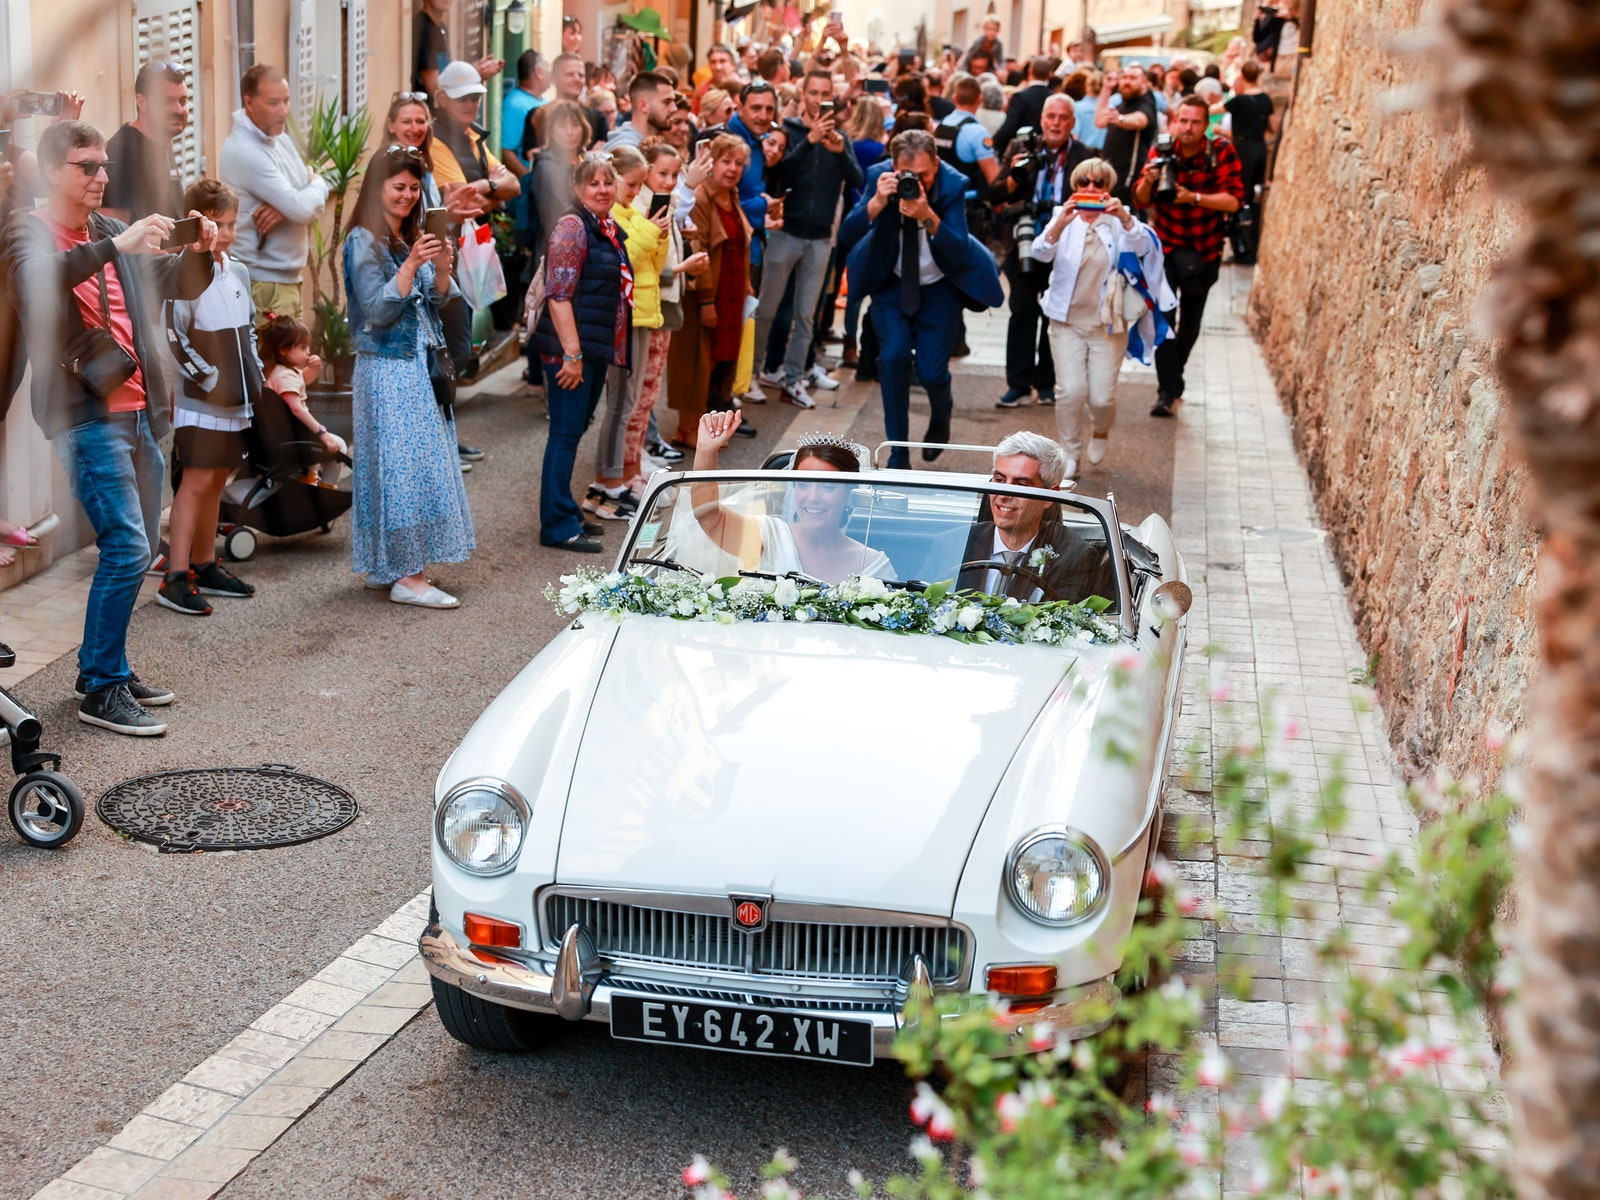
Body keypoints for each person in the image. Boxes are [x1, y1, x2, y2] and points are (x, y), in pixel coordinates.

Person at [5, 120, 216, 734]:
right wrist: (119, 246)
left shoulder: (106, 231)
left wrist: (196, 255)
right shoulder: (27, 230)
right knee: (124, 546)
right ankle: (100, 688)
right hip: (85, 412)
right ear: (51, 172)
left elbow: (162, 286)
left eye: (102, 166)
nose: (101, 175)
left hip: (136, 408)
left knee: (140, 547)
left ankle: (108, 667)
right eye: (85, 166)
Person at [343, 143, 473, 606]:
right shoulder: (363, 240)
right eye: (398, 187)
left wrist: (440, 269)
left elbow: (440, 301)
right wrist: (413, 265)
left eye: (414, 188)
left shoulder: (407, 235)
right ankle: (409, 577)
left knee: (405, 466)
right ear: (378, 187)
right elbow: (376, 311)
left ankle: (389, 566)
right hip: (388, 366)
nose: (407, 196)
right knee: (405, 468)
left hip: (417, 362)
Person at [836, 130, 1003, 470]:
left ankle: (941, 415)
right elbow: (846, 235)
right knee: (893, 357)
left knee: (931, 371)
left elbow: (959, 249)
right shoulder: (878, 178)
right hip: (892, 284)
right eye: (907, 175)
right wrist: (877, 202)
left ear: (937, 165)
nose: (916, 181)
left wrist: (927, 214)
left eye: (925, 174)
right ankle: (898, 452)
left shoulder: (952, 184)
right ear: (893, 167)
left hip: (939, 286)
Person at [160, 178, 264, 616]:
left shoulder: (237, 270)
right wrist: (209, 379)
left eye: (230, 224)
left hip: (235, 402)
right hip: (201, 403)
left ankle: (204, 563)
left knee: (217, 480)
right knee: (196, 482)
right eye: (214, 223)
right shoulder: (181, 272)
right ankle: (175, 577)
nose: (222, 232)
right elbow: (173, 336)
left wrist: (254, 377)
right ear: (194, 223)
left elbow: (251, 328)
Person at [1030, 158, 1168, 476]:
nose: (1090, 188)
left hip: (1108, 325)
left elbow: (1145, 246)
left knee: (1101, 398)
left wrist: (1123, 215)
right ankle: (1070, 455)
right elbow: (1039, 253)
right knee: (1070, 391)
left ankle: (1102, 431)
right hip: (1065, 323)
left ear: (1108, 189)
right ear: (1075, 187)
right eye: (1084, 182)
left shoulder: (1119, 221)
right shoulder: (1060, 218)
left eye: (1099, 183)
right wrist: (1060, 223)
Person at [530, 154, 635, 552]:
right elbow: (559, 297)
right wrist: (572, 356)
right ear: (577, 189)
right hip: (568, 352)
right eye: (593, 183)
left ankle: (566, 511)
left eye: (608, 182)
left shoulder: (604, 227)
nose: (603, 190)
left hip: (589, 349)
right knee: (564, 434)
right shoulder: (573, 227)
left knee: (571, 434)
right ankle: (556, 527)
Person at [751, 69, 863, 408]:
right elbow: (780, 173)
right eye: (813, 93)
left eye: (824, 93)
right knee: (766, 310)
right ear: (803, 94)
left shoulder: (840, 136)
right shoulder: (790, 131)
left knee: (806, 316)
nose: (818, 100)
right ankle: (753, 374)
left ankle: (794, 379)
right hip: (785, 232)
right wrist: (810, 140)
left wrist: (840, 150)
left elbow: (856, 178)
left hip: (818, 239)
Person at [1133, 94, 1244, 417]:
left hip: (1205, 250)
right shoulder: (1162, 151)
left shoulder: (1221, 151)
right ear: (1175, 121)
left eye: (1196, 122)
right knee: (1163, 320)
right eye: (1184, 121)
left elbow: (1234, 200)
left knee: (1190, 324)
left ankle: (1172, 378)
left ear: (1206, 124)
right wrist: (1150, 180)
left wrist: (1192, 197)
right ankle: (1168, 391)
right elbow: (1141, 199)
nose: (1189, 128)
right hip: (1166, 248)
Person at [690, 418, 891, 583]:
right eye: (803, 484)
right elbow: (709, 516)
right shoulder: (770, 536)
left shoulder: (872, 563)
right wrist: (706, 451)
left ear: (848, 493)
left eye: (828, 486)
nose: (813, 498)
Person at [993, 94, 1092, 409]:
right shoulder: (1020, 148)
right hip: (1022, 241)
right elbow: (995, 192)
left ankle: (1046, 383)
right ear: (1042, 120)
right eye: (1051, 117)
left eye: (1063, 118)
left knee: (1055, 313)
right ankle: (1018, 384)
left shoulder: (1085, 155)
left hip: (1065, 247)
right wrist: (1014, 174)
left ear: (1072, 123)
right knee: (1022, 309)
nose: (1056, 124)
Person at [934, 431, 1115, 602]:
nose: (1003, 494)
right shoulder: (951, 544)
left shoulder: (1075, 558)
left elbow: (1067, 626)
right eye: (999, 481)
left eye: (1020, 485)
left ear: (1050, 496)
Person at [588, 144, 667, 519]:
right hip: (628, 315)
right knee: (620, 404)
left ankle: (610, 481)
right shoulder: (615, 216)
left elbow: (654, 261)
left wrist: (657, 234)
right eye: (632, 184)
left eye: (639, 185)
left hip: (643, 313)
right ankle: (608, 482)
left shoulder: (632, 213)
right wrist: (653, 230)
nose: (636, 191)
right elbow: (633, 254)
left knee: (627, 403)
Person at [219, 64, 330, 323]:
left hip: (286, 280)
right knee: (277, 365)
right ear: (249, 102)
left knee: (293, 364)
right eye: (273, 103)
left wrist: (288, 206)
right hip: (264, 283)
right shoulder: (245, 151)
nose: (283, 111)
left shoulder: (279, 139)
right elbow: (303, 207)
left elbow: (302, 199)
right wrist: (306, 194)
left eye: (286, 101)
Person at [666, 134, 754, 451]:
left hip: (730, 291)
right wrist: (705, 300)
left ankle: (704, 425)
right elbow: (698, 247)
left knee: (718, 361)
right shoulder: (702, 197)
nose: (732, 169)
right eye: (725, 161)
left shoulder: (732, 194)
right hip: (706, 292)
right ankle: (687, 428)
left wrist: (745, 284)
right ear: (710, 164)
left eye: (738, 163)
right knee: (695, 362)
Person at [624, 143, 704, 476]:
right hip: (649, 304)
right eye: (662, 174)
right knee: (640, 391)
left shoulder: (663, 203)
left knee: (651, 388)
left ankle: (638, 452)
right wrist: (683, 267)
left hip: (665, 303)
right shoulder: (640, 206)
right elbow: (643, 264)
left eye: (675, 174)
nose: (670, 182)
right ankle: (631, 458)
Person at [101, 62, 189, 224]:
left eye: (182, 101)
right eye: (167, 101)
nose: (178, 110)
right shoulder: (124, 153)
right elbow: (112, 230)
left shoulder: (160, 138)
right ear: (142, 102)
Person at [839, 96, 888, 368]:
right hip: (872, 216)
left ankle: (849, 342)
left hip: (849, 216)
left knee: (852, 287)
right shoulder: (878, 150)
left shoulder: (849, 146)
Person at [430, 62, 519, 209]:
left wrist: (486, 185)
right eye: (461, 98)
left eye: (475, 97)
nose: (470, 104)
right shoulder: (435, 141)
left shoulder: (473, 135)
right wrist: (496, 195)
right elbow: (467, 204)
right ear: (442, 99)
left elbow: (514, 185)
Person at [259, 315, 344, 467]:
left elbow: (303, 380)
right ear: (284, 349)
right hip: (295, 436)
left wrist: (314, 369)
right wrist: (322, 433)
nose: (308, 352)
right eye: (303, 347)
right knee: (340, 446)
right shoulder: (285, 376)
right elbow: (297, 408)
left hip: (285, 434)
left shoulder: (281, 371)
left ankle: (312, 478)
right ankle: (325, 486)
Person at [521, 100, 588, 268]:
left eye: (575, 125)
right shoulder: (546, 167)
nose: (570, 132)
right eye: (562, 126)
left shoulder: (587, 162)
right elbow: (555, 218)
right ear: (551, 131)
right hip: (556, 258)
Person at [1223, 59, 1277, 264]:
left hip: (1243, 150)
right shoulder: (1265, 99)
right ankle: (1252, 247)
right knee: (1255, 199)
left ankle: (1242, 249)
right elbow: (1273, 127)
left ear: (1243, 76)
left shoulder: (1239, 101)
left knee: (1239, 197)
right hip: (1260, 149)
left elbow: (1213, 111)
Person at [1096, 66, 1159, 207]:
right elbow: (1099, 121)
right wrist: (1106, 89)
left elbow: (1140, 120)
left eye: (1133, 78)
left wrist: (1119, 119)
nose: (1127, 82)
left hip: (1129, 178)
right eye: (1124, 77)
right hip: (1112, 173)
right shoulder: (1123, 102)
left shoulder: (1146, 101)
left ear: (1144, 82)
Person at [413, 0, 503, 95]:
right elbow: (434, 88)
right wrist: (471, 75)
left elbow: (445, 73)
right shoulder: (425, 30)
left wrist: (472, 70)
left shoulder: (440, 26)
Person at [500, 50, 548, 176]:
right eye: (548, 69)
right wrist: (528, 180)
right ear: (539, 72)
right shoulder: (515, 104)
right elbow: (506, 151)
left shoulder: (544, 101)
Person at [994, 57, 1054, 153]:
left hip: (1023, 149)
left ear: (1030, 72)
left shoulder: (1020, 97)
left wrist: (993, 144)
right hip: (1048, 150)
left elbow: (1009, 127)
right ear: (1049, 75)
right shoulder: (1054, 98)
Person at [606, 70, 675, 150]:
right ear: (643, 105)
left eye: (673, 102)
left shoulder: (657, 144)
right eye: (666, 102)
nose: (674, 108)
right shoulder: (626, 151)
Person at [695, 43, 744, 113]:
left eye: (722, 61)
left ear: (733, 64)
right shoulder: (701, 92)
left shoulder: (746, 89)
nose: (718, 67)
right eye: (713, 62)